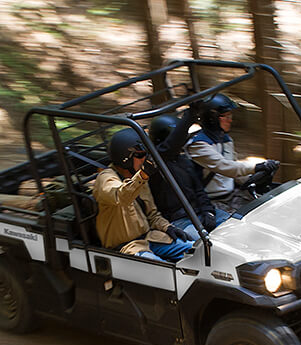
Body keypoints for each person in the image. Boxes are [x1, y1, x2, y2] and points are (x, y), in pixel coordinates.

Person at [92, 127, 195, 262]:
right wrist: (143, 175)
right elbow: (120, 197)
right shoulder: (106, 178)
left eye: (146, 154)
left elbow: (152, 215)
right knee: (163, 271)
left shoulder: (139, 177)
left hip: (150, 238)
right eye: (140, 155)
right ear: (125, 158)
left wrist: (167, 227)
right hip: (128, 247)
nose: (144, 159)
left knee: (196, 251)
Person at [186, 93, 280, 212]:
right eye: (226, 116)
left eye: (231, 115)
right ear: (212, 119)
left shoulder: (225, 139)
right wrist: (258, 166)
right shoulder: (199, 145)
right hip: (211, 202)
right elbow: (227, 167)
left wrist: (254, 178)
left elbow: (235, 170)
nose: (230, 120)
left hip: (232, 195)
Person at [147, 111, 231, 240]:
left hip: (198, 212)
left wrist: (208, 211)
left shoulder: (183, 160)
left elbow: (199, 190)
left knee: (235, 226)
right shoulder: (154, 164)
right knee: (206, 244)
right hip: (178, 220)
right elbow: (166, 149)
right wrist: (189, 118)